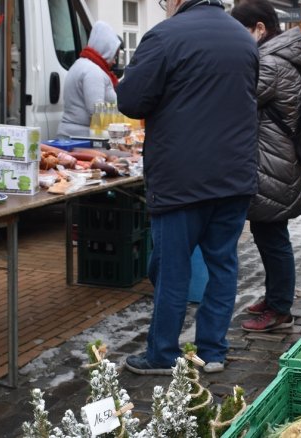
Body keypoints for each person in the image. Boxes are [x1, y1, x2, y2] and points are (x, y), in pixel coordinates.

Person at [116, 0, 259, 375]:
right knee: (222, 264)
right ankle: (213, 351)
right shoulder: (242, 38)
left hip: (182, 178)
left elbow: (131, 100)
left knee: (172, 269)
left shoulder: (165, 35)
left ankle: (162, 354)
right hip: (234, 174)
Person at [230, 0, 301, 333]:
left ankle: (279, 308)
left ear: (260, 29)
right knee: (268, 234)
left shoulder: (271, 63)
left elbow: (237, 100)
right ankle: (275, 297)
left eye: (241, 31)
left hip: (272, 163)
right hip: (275, 160)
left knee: (273, 237)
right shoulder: (281, 57)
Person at [57, 21, 121, 138]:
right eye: (114, 55)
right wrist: (123, 120)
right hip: (84, 139)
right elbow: (96, 111)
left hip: (73, 135)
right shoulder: (93, 72)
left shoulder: (80, 64)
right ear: (106, 49)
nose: (114, 61)